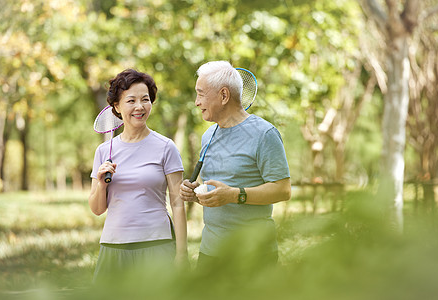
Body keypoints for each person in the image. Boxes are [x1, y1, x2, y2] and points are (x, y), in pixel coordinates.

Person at [179, 61, 291, 267]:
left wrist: (233, 195)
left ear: (223, 95)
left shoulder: (265, 134)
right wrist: (195, 194)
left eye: (201, 93)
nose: (196, 102)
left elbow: (282, 190)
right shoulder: (208, 135)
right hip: (210, 253)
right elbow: (218, 190)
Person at [89, 69, 187, 282]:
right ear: (116, 106)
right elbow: (97, 209)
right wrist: (101, 184)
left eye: (145, 99)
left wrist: (182, 254)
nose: (139, 107)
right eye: (131, 100)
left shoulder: (166, 147)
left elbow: (178, 203)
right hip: (114, 245)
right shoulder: (104, 152)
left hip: (157, 244)